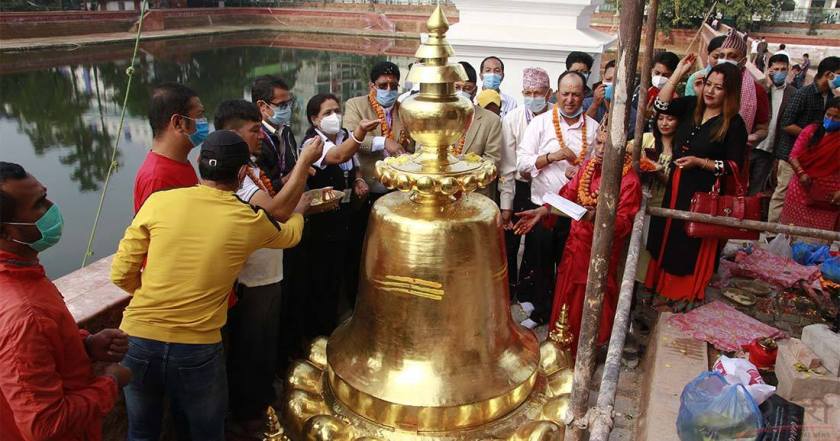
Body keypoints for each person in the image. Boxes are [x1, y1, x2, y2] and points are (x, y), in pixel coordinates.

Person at [111, 130, 307, 440]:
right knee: (206, 432)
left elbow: (121, 274)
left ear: (200, 162)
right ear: (243, 172)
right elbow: (290, 234)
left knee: (141, 431)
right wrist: (299, 211)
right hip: (196, 348)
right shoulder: (246, 219)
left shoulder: (158, 202)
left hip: (137, 339)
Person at [0, 162, 132, 441]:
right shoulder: (25, 313)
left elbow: (41, 352)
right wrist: (110, 382)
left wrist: (84, 345)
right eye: (39, 204)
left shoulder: (22, 274)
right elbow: (45, 426)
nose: (51, 208)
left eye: (45, 195)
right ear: (6, 232)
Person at [212, 100, 321, 436]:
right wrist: (303, 164)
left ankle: (257, 407)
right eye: (253, 130)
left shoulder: (252, 169)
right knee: (251, 350)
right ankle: (248, 418)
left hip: (269, 274)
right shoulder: (238, 179)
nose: (260, 135)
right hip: (252, 280)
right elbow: (277, 210)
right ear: (232, 134)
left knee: (262, 348)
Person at [513, 128, 641, 355]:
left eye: (608, 145)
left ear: (622, 149)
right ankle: (560, 347)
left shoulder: (629, 182)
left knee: (592, 301)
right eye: (599, 143)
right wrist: (543, 211)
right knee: (566, 295)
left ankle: (588, 353)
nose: (601, 150)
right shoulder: (589, 167)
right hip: (575, 246)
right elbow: (565, 196)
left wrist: (597, 216)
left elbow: (622, 225)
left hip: (599, 254)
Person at [644, 57, 748, 309]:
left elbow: (733, 166)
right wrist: (678, 72)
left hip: (703, 190)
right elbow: (660, 104)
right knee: (664, 234)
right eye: (707, 84)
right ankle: (659, 287)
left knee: (687, 241)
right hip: (676, 183)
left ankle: (683, 293)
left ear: (730, 92)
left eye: (718, 87)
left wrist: (701, 163)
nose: (710, 91)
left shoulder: (734, 124)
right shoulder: (691, 105)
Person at [515, 71, 599, 326]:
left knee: (569, 265)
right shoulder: (540, 124)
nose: (570, 99)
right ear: (556, 94)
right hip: (543, 206)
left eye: (576, 94)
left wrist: (584, 171)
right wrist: (552, 157)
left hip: (575, 211)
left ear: (584, 95)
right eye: (565, 94)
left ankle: (564, 316)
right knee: (541, 262)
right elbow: (522, 164)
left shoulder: (594, 129)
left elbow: (599, 168)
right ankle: (541, 312)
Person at [300, 93, 380, 338]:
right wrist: (360, 134)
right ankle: (319, 334)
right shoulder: (312, 142)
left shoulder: (343, 135)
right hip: (322, 221)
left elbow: (351, 163)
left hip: (345, 215)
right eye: (327, 113)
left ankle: (344, 324)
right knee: (322, 277)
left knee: (344, 271)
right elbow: (337, 156)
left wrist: (357, 179)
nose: (334, 116)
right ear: (314, 119)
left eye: (336, 110)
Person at [343, 61, 412, 306]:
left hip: (396, 193)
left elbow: (413, 145)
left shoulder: (406, 110)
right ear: (372, 86)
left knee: (392, 251)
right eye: (383, 85)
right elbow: (352, 138)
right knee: (360, 247)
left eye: (394, 85)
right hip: (366, 189)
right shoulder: (356, 106)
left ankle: (388, 298)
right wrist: (384, 142)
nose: (389, 89)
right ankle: (356, 301)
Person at [499, 67, 552, 300]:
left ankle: (530, 296)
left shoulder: (556, 116)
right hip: (519, 189)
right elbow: (507, 166)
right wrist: (506, 204)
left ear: (548, 93)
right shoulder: (512, 119)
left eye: (538, 93)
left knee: (539, 244)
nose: (533, 98)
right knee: (510, 242)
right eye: (528, 92)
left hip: (547, 189)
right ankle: (507, 293)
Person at [770, 56, 840, 223]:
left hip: (813, 159)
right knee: (783, 193)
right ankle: (771, 231)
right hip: (792, 154)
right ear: (829, 75)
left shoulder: (830, 98)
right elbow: (786, 123)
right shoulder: (804, 93)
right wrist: (810, 137)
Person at [133, 83, 207, 213]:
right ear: (178, 123)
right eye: (200, 115)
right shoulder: (157, 179)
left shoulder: (178, 162)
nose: (204, 121)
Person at [779, 98, 840, 231]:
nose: (830, 119)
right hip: (800, 191)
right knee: (792, 233)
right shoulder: (812, 131)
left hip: (828, 199)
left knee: (820, 239)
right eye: (828, 115)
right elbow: (794, 155)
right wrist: (801, 173)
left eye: (836, 117)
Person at [634, 108, 680, 281]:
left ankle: (648, 284)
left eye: (670, 119)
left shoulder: (681, 148)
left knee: (651, 248)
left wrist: (657, 172)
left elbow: (677, 185)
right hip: (637, 202)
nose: (665, 123)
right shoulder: (645, 139)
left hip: (663, 205)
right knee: (633, 247)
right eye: (661, 118)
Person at [749, 54, 796, 196]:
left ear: (788, 70)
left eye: (783, 69)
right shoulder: (760, 87)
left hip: (770, 148)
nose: (779, 72)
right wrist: (767, 84)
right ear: (769, 69)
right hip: (752, 143)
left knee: (757, 185)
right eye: (776, 69)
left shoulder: (793, 93)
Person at [454, 61, 503, 198]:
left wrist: (459, 170)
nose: (461, 93)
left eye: (467, 88)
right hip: (440, 195)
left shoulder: (491, 121)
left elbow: (492, 162)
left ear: (475, 90)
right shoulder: (434, 118)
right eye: (457, 87)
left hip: (476, 195)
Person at [717, 29, 770, 153]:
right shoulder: (708, 85)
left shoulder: (756, 91)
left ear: (743, 61)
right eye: (722, 56)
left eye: (732, 56)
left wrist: (755, 136)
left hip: (737, 154)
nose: (725, 60)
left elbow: (762, 128)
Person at [251, 75, 300, 193]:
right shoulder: (254, 139)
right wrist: (298, 171)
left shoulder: (286, 131)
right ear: (262, 106)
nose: (288, 108)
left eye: (289, 103)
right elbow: (262, 189)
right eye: (282, 105)